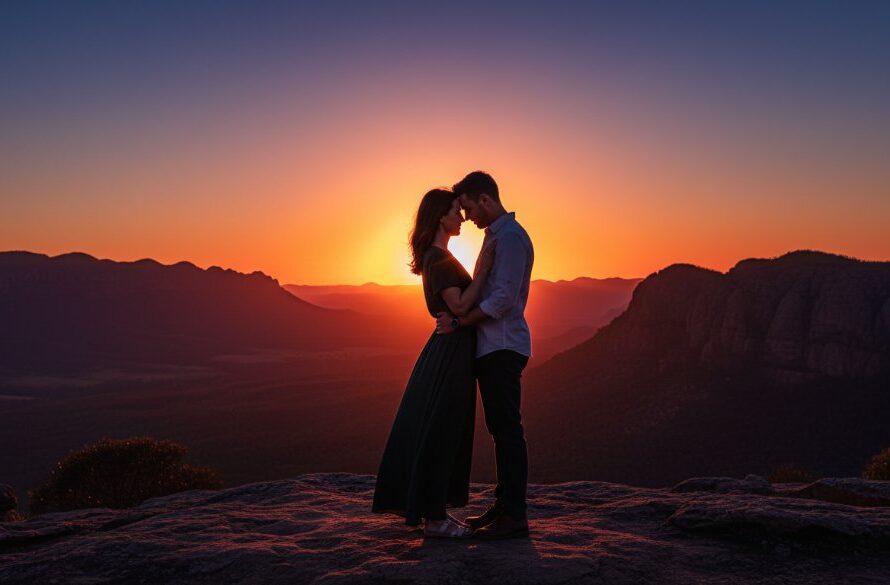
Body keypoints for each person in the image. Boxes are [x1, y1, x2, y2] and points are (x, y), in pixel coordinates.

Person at [372, 188, 494, 538]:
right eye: (456, 211)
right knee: (441, 428)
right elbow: (457, 306)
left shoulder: (437, 256)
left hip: (451, 348)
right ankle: (435, 519)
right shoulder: (438, 258)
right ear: (441, 215)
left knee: (442, 428)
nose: (462, 218)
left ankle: (434, 512)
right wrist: (483, 272)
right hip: (451, 351)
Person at [435, 171, 534, 540]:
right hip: (495, 346)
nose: (468, 217)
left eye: (469, 207)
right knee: (500, 430)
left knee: (507, 431)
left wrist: (461, 322)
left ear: (486, 200)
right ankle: (504, 507)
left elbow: (503, 300)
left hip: (503, 346)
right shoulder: (499, 237)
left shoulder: (509, 238)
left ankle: (515, 516)